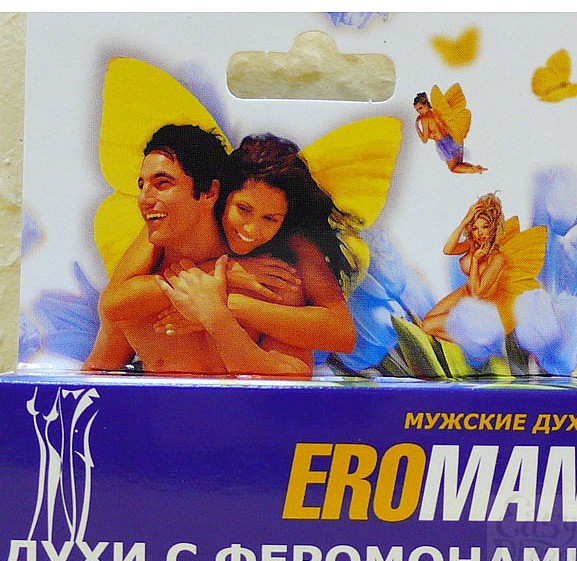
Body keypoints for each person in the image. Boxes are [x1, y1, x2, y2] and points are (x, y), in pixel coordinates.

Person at [84, 126, 357, 376]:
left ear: (209, 193)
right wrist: (222, 273)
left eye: (163, 183)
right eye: (244, 209)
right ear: (224, 197)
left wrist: (220, 309)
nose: (146, 198)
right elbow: (112, 310)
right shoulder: (154, 244)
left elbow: (332, 342)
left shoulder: (279, 272)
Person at [420, 192, 546, 341]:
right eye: (475, 228)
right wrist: (465, 221)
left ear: (492, 228)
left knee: (428, 326)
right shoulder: (473, 244)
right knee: (426, 320)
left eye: (485, 227)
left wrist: (475, 259)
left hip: (482, 307)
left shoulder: (497, 258)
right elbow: (448, 250)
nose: (480, 233)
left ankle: (471, 344)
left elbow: (477, 293)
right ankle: (468, 341)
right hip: (465, 293)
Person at [413, 91, 487, 174]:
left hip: (445, 145)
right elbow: (438, 129)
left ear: (426, 104)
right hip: (453, 138)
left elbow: (424, 140)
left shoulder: (424, 119)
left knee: (453, 168)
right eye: (417, 110)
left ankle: (475, 169)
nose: (419, 112)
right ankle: (476, 168)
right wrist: (431, 135)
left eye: (420, 108)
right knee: (459, 164)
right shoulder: (434, 112)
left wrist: (417, 126)